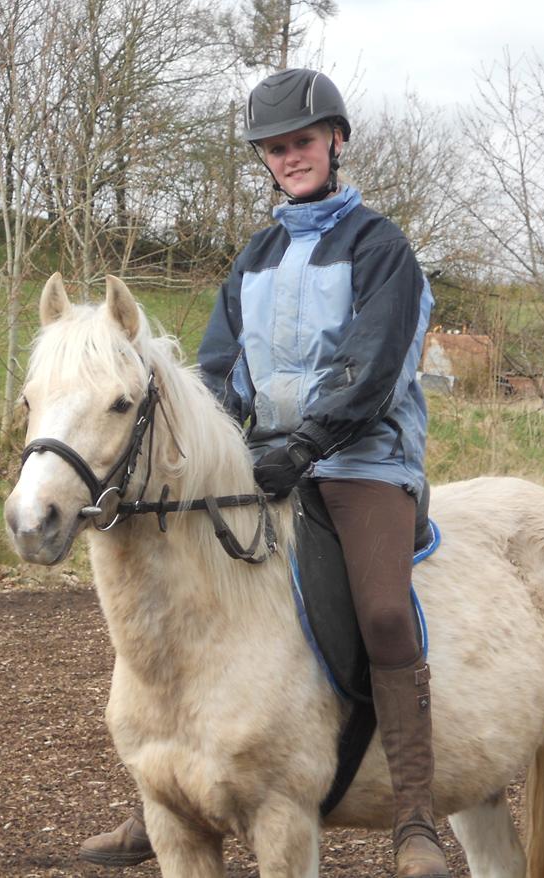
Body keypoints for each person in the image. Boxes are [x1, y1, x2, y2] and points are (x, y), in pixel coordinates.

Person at [80, 68, 447, 878]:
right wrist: (211, 444)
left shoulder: (381, 248)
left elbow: (372, 370)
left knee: (384, 612)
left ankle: (417, 817)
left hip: (362, 459)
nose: (291, 158)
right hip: (272, 456)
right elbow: (219, 374)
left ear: (336, 142)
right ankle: (170, 788)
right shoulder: (257, 256)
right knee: (180, 581)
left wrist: (306, 444)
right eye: (276, 150)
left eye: (303, 143)